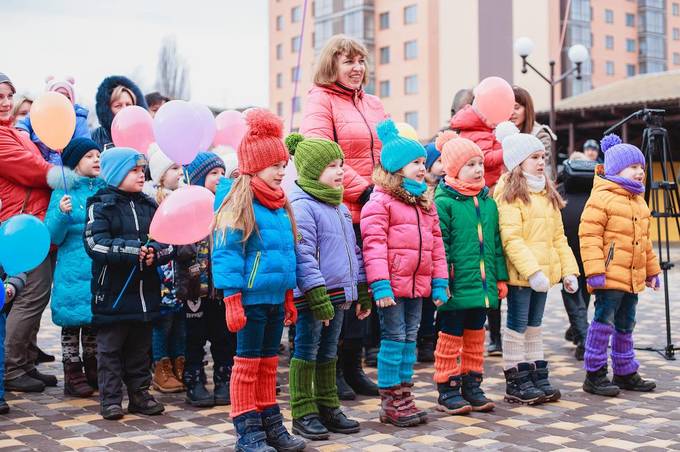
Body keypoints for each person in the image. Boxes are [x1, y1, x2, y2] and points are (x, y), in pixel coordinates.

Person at [213, 109, 305, 452]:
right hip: (250, 301)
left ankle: (270, 424)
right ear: (255, 166)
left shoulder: (281, 206)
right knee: (248, 364)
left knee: (268, 365)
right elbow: (226, 254)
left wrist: (288, 297)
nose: (282, 171)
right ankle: (246, 428)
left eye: (284, 165)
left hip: (273, 298)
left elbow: (286, 255)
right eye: (275, 166)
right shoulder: (240, 203)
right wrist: (232, 298)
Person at [299, 34, 384, 400]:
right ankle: (332, 372)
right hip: (342, 210)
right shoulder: (320, 101)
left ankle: (353, 365)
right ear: (331, 64)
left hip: (375, 210)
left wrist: (390, 189)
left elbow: (388, 151)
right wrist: (363, 190)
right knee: (340, 295)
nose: (356, 68)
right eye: (348, 61)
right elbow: (319, 154)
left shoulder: (374, 103)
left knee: (364, 289)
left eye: (360, 61)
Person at [361, 119, 448, 427]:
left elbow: (437, 246)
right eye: (415, 162)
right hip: (394, 287)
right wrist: (381, 285)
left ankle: (405, 393)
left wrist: (439, 283)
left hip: (419, 286)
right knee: (394, 338)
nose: (423, 167)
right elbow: (373, 246)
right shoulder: (380, 201)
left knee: (410, 339)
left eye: (424, 162)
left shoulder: (425, 202)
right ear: (397, 167)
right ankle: (391, 399)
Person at [285, 133, 365, 441]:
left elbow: (352, 251)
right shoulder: (303, 206)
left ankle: (328, 405)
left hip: (339, 295)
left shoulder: (339, 206)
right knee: (307, 349)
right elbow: (302, 254)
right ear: (310, 170)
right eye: (331, 165)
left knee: (329, 351)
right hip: (314, 297)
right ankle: (303, 410)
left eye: (341, 164)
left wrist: (362, 288)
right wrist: (317, 295)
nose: (340, 171)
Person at [83, 147, 173, 420]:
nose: (140, 175)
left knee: (139, 348)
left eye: (141, 170)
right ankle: (110, 400)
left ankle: (139, 394)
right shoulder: (100, 205)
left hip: (145, 294)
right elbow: (94, 244)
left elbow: (166, 240)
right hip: (113, 294)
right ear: (115, 173)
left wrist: (155, 252)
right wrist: (135, 251)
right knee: (110, 350)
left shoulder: (149, 205)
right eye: (133, 170)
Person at [494, 123, 579, 405]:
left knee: (535, 325)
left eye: (543, 157)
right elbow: (511, 239)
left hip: (543, 276)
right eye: (534, 158)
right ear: (519, 163)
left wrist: (568, 270)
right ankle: (515, 378)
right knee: (517, 325)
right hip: (524, 276)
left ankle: (536, 373)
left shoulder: (547, 193)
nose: (541, 162)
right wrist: (533, 272)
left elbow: (558, 237)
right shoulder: (509, 194)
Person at [433, 131, 508, 415]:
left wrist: (499, 277)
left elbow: (496, 245)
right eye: (470, 165)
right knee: (450, 336)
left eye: (479, 163)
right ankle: (447, 388)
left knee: (476, 335)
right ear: (453, 169)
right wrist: (443, 281)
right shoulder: (445, 203)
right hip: (455, 286)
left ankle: (472, 384)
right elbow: (441, 246)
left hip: (482, 285)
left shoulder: (488, 202)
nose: (478, 170)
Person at [580, 134, 660, 397]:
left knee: (627, 323)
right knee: (604, 322)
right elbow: (589, 236)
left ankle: (625, 371)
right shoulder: (602, 197)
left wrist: (652, 271)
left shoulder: (638, 201)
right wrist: (594, 272)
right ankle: (595, 374)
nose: (639, 172)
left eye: (641, 167)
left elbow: (645, 241)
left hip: (633, 276)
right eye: (633, 167)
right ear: (615, 169)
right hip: (608, 276)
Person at [1, 72, 57, 393]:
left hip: (34, 223)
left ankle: (23, 364)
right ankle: (10, 368)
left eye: (9, 95)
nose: (6, 103)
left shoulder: (15, 132)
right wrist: (65, 175)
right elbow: (32, 170)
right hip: (18, 225)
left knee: (36, 295)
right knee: (28, 296)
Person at [44, 137, 106, 397]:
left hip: (97, 265)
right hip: (71, 266)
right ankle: (72, 370)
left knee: (93, 320)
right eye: (89, 156)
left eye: (98, 155)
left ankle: (93, 366)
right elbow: (52, 236)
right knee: (71, 323)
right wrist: (60, 212)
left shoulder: (104, 189)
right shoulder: (64, 191)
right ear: (75, 163)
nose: (96, 160)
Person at [182, 152, 235, 407]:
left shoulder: (228, 206)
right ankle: (194, 378)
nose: (219, 178)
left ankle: (224, 378)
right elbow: (177, 246)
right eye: (213, 173)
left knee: (222, 335)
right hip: (195, 288)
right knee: (195, 335)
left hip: (221, 286)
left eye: (222, 172)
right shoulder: (188, 209)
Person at [143, 150, 186, 394]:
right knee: (163, 322)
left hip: (180, 270)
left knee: (180, 322)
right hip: (162, 271)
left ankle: (180, 363)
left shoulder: (183, 197)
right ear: (160, 175)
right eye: (173, 168)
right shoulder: (153, 200)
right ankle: (161, 367)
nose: (180, 172)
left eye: (181, 167)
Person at [557, 152, 596, 360]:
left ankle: (582, 337)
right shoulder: (595, 190)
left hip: (566, 242)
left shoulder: (561, 191)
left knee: (571, 289)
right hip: (590, 243)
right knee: (584, 288)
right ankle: (578, 330)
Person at [416, 141, 446, 363]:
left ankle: (433, 338)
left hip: (438, 254)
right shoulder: (422, 189)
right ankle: (425, 338)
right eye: (439, 161)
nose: (443, 166)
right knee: (425, 304)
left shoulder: (447, 187)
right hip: (423, 254)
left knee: (439, 301)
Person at [16, 76, 90, 165]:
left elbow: (84, 142)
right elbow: (23, 123)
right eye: (58, 96)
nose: (63, 100)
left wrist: (70, 147)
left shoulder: (78, 118)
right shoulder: (38, 113)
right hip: (39, 162)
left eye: (68, 98)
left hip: (65, 166)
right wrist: (24, 132)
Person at [510, 86, 557, 180]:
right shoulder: (499, 133)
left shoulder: (540, 135)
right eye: (508, 108)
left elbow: (541, 169)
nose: (512, 112)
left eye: (516, 107)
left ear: (527, 109)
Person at [91, 75, 147, 150]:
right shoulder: (96, 137)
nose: (125, 109)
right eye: (118, 106)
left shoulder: (144, 135)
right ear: (108, 110)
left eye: (128, 104)